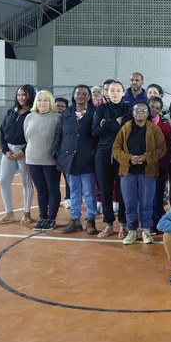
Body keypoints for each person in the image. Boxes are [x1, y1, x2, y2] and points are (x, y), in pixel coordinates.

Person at [112, 101, 166, 245]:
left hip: (147, 172)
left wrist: (145, 157)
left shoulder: (154, 129)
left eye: (143, 111)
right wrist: (129, 158)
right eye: (137, 111)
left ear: (148, 113)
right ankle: (131, 230)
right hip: (127, 172)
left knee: (146, 203)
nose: (140, 113)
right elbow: (116, 149)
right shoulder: (125, 128)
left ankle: (146, 230)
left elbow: (162, 149)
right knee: (129, 203)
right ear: (133, 113)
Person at [52, 85, 99, 234]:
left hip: (87, 159)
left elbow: (98, 135)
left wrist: (94, 154)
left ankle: (90, 220)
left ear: (89, 97)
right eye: (78, 93)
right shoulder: (66, 113)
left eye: (84, 94)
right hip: (70, 159)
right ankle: (75, 220)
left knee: (89, 191)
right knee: (74, 191)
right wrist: (57, 152)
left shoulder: (95, 113)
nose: (80, 96)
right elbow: (59, 134)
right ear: (73, 96)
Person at [0, 84, 36, 225]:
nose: (21, 97)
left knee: (26, 183)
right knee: (3, 180)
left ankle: (26, 213)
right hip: (9, 152)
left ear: (30, 95)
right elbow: (1, 132)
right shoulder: (11, 112)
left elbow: (35, 137)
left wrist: (23, 151)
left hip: (25, 151)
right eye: (19, 95)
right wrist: (5, 151)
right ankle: (9, 213)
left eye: (24, 95)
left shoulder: (33, 113)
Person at [92, 80, 130, 238]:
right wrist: (114, 123)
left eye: (118, 90)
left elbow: (126, 129)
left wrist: (105, 125)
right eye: (112, 90)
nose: (114, 93)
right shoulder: (100, 109)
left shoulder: (128, 109)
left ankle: (123, 224)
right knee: (105, 190)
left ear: (123, 93)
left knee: (123, 191)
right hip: (103, 153)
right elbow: (95, 131)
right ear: (107, 92)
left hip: (122, 153)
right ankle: (108, 225)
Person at [24, 90, 62, 231]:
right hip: (32, 159)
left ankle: (51, 218)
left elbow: (58, 139)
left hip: (50, 161)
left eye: (45, 100)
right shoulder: (29, 117)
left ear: (50, 102)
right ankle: (43, 218)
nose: (42, 103)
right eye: (39, 100)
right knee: (41, 191)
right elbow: (27, 137)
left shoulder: (57, 118)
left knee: (52, 190)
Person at [148, 96, 171, 233]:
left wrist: (162, 164)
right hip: (143, 168)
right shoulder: (139, 122)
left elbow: (168, 146)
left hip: (160, 167)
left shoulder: (165, 125)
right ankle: (146, 222)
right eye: (151, 106)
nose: (154, 110)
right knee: (145, 197)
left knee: (157, 197)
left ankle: (156, 223)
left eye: (157, 108)